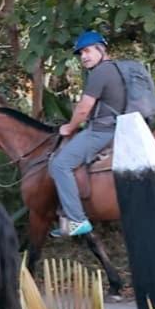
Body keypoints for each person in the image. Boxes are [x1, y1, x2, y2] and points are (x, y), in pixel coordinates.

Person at [47, 30, 126, 237]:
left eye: (88, 51)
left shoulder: (101, 72)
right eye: (81, 53)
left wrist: (70, 127)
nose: (84, 57)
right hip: (115, 126)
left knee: (60, 164)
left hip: (102, 130)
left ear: (101, 49)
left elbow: (83, 109)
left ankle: (77, 220)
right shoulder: (115, 69)